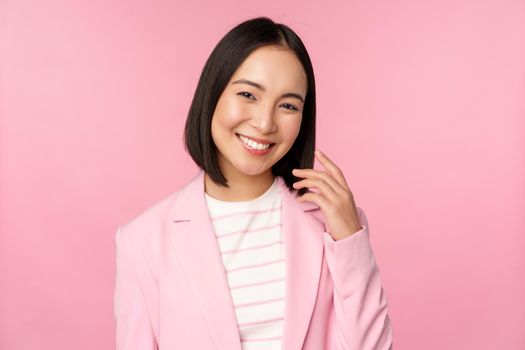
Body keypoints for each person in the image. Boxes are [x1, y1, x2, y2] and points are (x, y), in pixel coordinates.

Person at [113, 16, 393, 350]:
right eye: (248, 94)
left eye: (288, 105)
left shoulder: (332, 227)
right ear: (212, 93)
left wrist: (350, 240)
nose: (264, 123)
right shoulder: (142, 240)